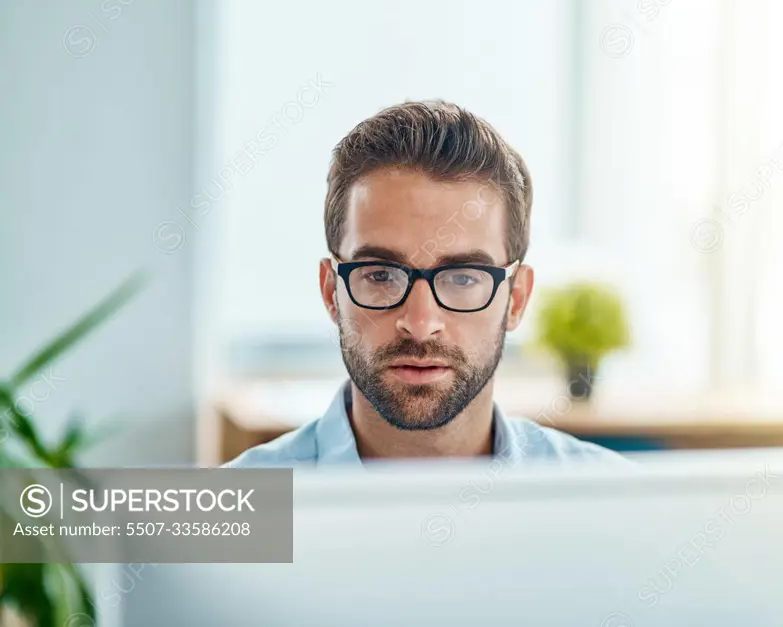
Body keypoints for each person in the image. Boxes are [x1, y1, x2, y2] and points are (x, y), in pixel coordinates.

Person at [227, 100, 623, 467]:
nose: (420, 324)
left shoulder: (612, 502)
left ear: (516, 298)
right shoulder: (240, 516)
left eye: (463, 277)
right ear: (332, 292)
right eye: (381, 275)